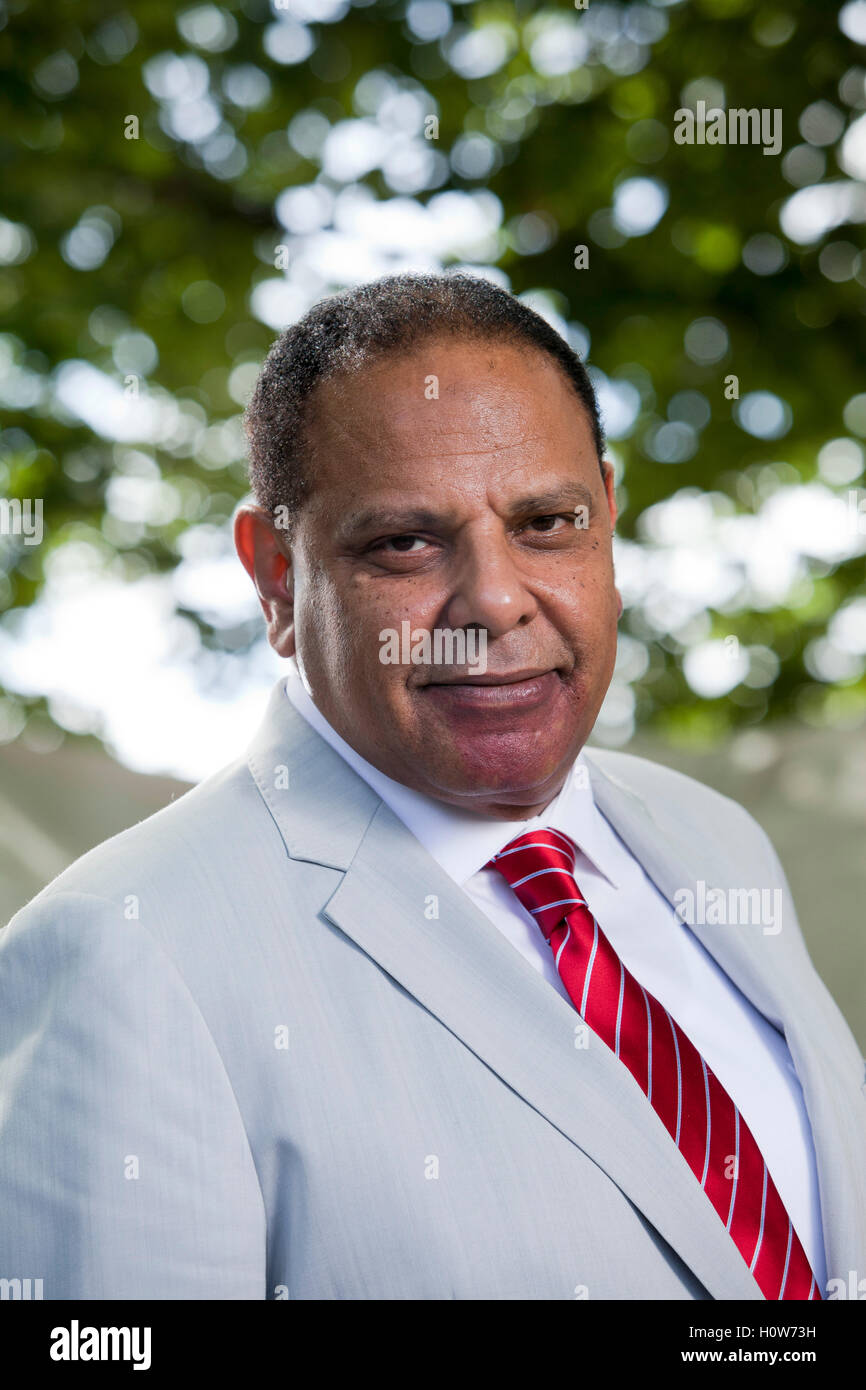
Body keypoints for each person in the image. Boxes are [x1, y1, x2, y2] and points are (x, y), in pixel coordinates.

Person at [0, 272, 863, 1300]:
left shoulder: (709, 839)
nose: (494, 601)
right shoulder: (127, 950)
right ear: (276, 573)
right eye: (403, 541)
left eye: (546, 522)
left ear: (608, 518)